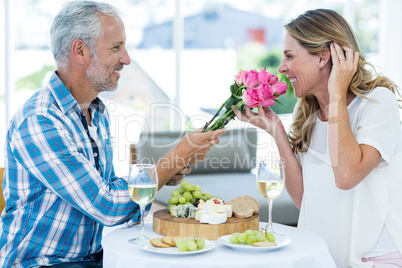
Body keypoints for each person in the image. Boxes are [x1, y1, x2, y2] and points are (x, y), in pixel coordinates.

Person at [0, 1, 225, 267]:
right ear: (80, 51)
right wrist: (173, 160)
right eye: (116, 47)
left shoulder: (97, 112)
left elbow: (104, 187)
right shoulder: (40, 120)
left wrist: (161, 172)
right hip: (43, 263)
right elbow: (106, 205)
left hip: (92, 258)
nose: (127, 59)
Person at [234, 9, 402, 268]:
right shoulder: (310, 115)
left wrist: (337, 90)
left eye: (290, 56)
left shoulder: (378, 102)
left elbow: (347, 175)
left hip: (375, 259)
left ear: (324, 57)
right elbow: (305, 200)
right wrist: (276, 131)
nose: (281, 67)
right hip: (326, 256)